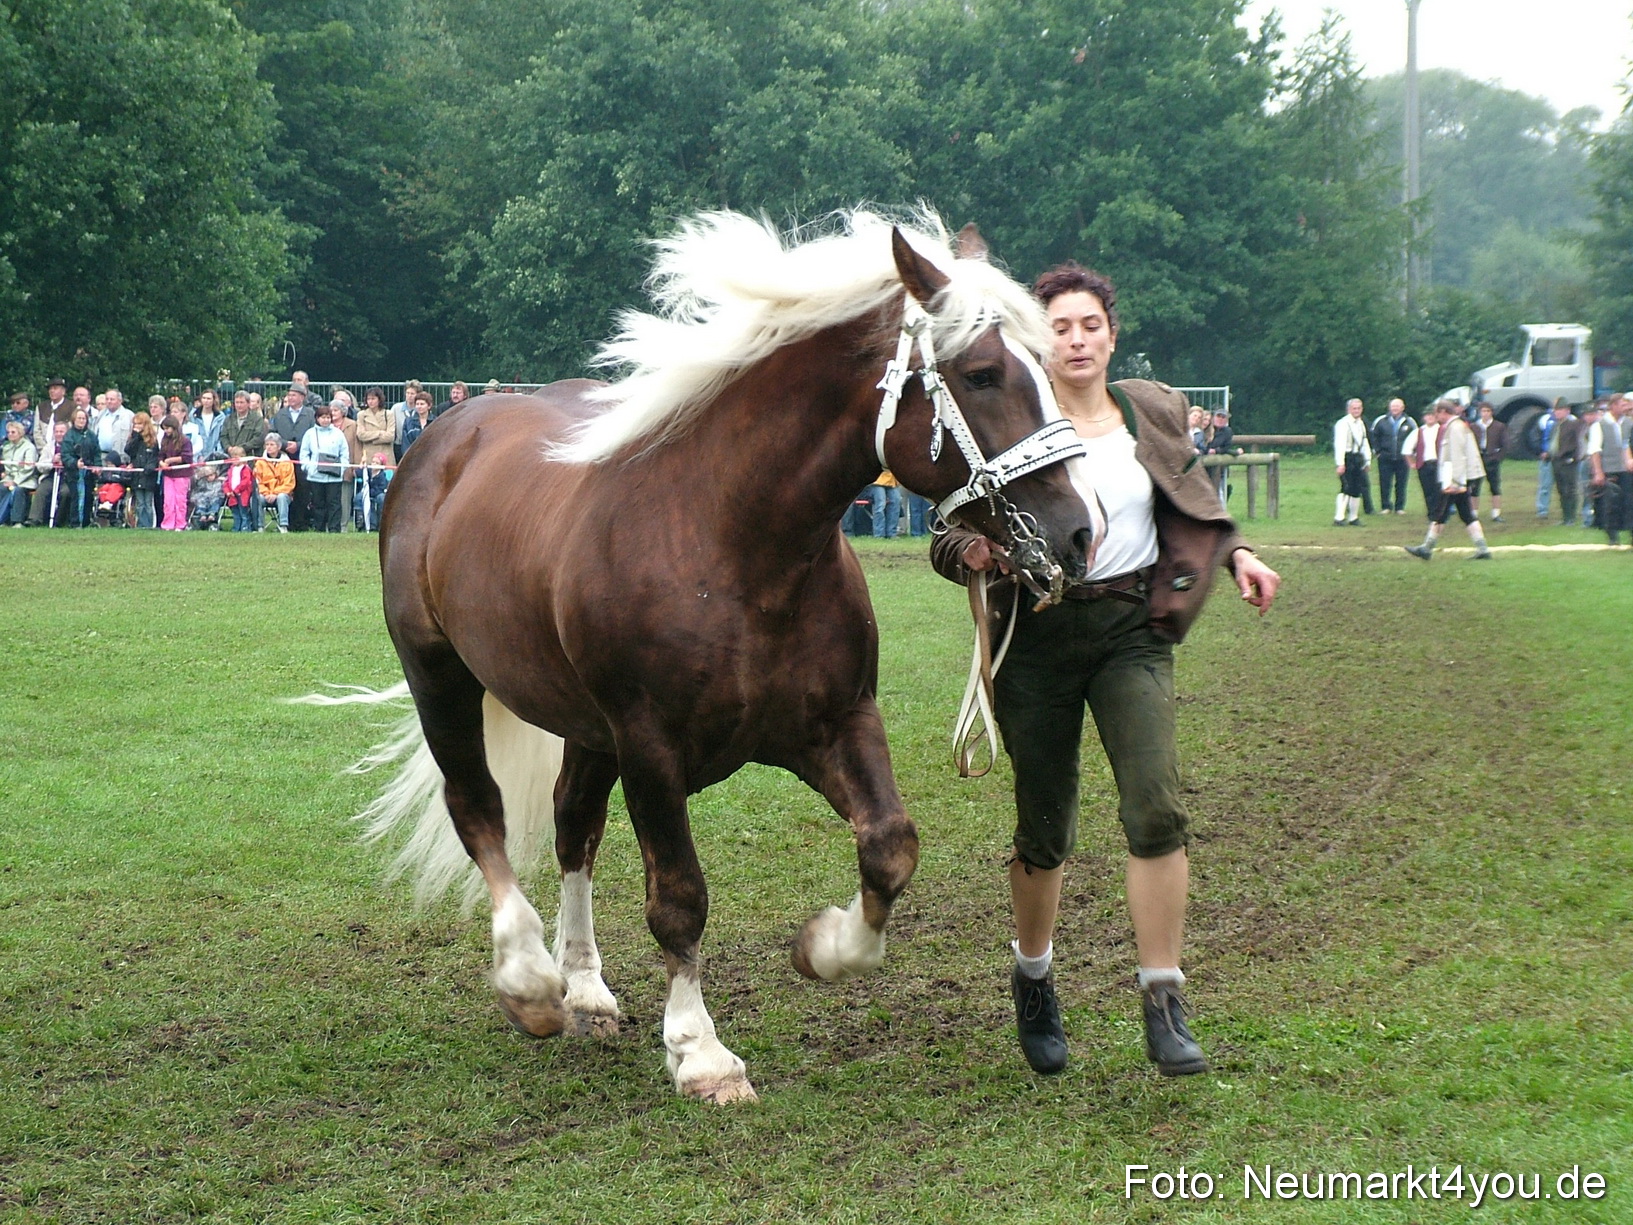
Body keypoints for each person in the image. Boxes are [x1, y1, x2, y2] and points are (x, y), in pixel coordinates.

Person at [930, 261, 1280, 1078]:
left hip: (1131, 630)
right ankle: (1034, 976)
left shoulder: (1148, 408)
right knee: (1044, 828)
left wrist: (1241, 555)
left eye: (1090, 325)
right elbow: (945, 531)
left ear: (1111, 335)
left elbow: (1191, 497)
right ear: (1036, 338)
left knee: (1154, 806)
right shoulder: (1010, 416)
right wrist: (976, 550)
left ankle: (1164, 996)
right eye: (1060, 326)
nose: (1076, 338)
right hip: (1037, 634)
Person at [1405, 401, 1493, 561]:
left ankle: (1427, 547)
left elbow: (1458, 456)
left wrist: (1455, 482)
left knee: (1440, 512)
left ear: (1444, 411)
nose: (1436, 417)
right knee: (1466, 514)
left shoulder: (1455, 428)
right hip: (1459, 479)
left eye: (1437, 414)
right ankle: (1482, 548)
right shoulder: (1457, 426)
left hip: (1455, 480)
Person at [1586, 394, 1631, 546]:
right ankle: (1612, 536)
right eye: (1622, 405)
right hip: (1609, 470)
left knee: (1629, 503)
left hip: (1627, 471)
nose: (1626, 408)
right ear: (1613, 406)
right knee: (1611, 504)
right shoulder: (1599, 425)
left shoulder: (1629, 423)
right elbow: (1594, 451)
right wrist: (1598, 472)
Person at [270, 386, 316, 530]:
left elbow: (314, 434)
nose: (290, 398)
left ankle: (301, 522)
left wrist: (299, 445)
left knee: (302, 489)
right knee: (284, 488)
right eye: (289, 395)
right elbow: (273, 433)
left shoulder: (310, 414)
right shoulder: (280, 415)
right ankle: (286, 521)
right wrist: (283, 444)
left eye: (294, 395)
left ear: (302, 397)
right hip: (283, 457)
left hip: (303, 458)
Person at [299, 404, 349, 532]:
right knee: (318, 504)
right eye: (323, 417)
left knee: (335, 505)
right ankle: (319, 528)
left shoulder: (338, 434)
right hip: (315, 477)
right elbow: (304, 453)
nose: (325, 420)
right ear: (317, 418)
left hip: (334, 477)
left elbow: (344, 453)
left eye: (328, 417)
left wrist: (341, 469)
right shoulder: (310, 434)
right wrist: (309, 468)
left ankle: (334, 529)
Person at [1370, 397, 1416, 514]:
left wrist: (1412, 454)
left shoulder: (1409, 421)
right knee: (1385, 482)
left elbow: (1416, 437)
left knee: (1401, 483)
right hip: (1385, 458)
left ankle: (1399, 507)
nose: (1395, 408)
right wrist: (1378, 451)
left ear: (1403, 407)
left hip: (1402, 458)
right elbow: (1373, 436)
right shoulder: (1381, 420)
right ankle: (1386, 506)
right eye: (1393, 406)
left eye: (1397, 406)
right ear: (1389, 407)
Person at [1543, 401, 1582, 528]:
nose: (1557, 412)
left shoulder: (1573, 425)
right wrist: (1548, 454)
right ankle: (1565, 517)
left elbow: (1578, 442)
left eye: (1560, 410)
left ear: (1567, 411)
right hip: (1556, 461)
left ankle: (1571, 517)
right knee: (1561, 489)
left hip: (1568, 461)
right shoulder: (1555, 426)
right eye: (1556, 410)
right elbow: (1554, 443)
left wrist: (1574, 457)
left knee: (1570, 489)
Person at [1332, 398, 1370, 526]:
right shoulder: (1343, 423)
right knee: (1346, 487)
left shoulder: (1361, 423)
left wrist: (1367, 460)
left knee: (1356, 488)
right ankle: (1339, 517)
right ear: (1348, 409)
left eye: (1359, 408)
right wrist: (1340, 463)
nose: (1357, 411)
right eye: (1354, 408)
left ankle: (1353, 517)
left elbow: (1364, 442)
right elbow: (1340, 444)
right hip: (1347, 457)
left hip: (1357, 457)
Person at [60, 407, 100, 527]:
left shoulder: (91, 436)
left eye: (84, 418)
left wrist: (97, 466)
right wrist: (75, 463)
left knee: (88, 497)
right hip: (74, 474)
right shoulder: (69, 436)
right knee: (76, 498)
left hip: (88, 474)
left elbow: (97, 452)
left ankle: (86, 522)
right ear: (74, 419)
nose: (82, 421)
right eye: (79, 418)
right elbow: (65, 455)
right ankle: (75, 523)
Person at [157, 415, 194, 531]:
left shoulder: (185, 441)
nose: (166, 431)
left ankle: (180, 524)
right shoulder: (165, 440)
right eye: (164, 428)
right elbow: (160, 455)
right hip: (168, 475)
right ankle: (168, 524)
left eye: (168, 428)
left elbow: (187, 457)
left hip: (181, 475)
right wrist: (162, 463)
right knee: (168, 501)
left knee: (180, 500)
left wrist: (170, 460)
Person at [1471, 402, 1506, 522]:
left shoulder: (1499, 426)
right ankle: (1474, 513)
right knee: (1475, 487)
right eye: (1483, 411)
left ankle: (1496, 513)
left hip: (1492, 459)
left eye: (1488, 411)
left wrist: (1497, 457)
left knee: (1495, 486)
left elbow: (1505, 445)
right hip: (1478, 459)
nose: (1485, 414)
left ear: (1491, 412)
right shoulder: (1474, 427)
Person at [125, 411, 161, 529]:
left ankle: (149, 524)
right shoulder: (134, 439)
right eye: (135, 424)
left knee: (148, 503)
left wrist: (149, 468)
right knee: (140, 503)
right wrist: (135, 436)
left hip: (148, 476)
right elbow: (129, 450)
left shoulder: (152, 441)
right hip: (137, 476)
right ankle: (140, 525)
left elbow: (154, 457)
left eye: (139, 424)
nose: (136, 426)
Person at [254, 432, 295, 532]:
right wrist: (267, 493)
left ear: (279, 446)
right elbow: (258, 481)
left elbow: (289, 483)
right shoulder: (260, 462)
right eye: (267, 444)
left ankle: (283, 526)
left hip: (282, 494)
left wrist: (275, 493)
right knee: (257, 498)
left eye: (272, 444)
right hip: (265, 494)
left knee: (282, 497)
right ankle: (259, 526)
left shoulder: (287, 462)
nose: (269, 447)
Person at [1408, 406, 1442, 522]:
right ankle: (1431, 514)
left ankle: (1440, 514)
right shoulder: (1419, 431)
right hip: (1424, 464)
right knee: (1428, 491)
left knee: (1439, 490)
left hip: (1439, 464)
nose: (1430, 417)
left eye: (1432, 415)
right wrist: (1412, 463)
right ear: (1424, 418)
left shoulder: (1442, 430)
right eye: (1427, 415)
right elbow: (1407, 449)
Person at [2, 420, 37, 526]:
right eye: (8, 432)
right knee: (2, 488)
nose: (10, 435)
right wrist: (7, 478)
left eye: (13, 432)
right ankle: (4, 519)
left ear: (20, 433)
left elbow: (28, 468)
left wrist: (15, 481)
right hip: (9, 478)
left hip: (26, 479)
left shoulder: (29, 447)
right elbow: (7, 466)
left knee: (18, 490)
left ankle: (17, 521)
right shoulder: (6, 447)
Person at [220, 390, 268, 458]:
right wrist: (229, 448)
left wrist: (241, 448)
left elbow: (258, 438)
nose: (239, 405)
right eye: (237, 402)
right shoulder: (229, 419)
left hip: (250, 458)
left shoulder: (257, 419)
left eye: (242, 402)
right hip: (231, 459)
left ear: (248, 403)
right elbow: (223, 436)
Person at [1203, 407, 1236, 507]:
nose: (1220, 419)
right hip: (1203, 464)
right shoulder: (1206, 428)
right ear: (1213, 417)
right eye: (1218, 416)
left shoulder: (1227, 431)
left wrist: (1217, 450)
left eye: (1223, 417)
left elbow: (1227, 447)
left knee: (1219, 490)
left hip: (1218, 467)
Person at [221, 446, 258, 531]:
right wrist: (227, 491)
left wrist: (237, 490)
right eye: (232, 457)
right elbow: (227, 481)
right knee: (235, 513)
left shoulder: (246, 469)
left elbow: (246, 481)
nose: (234, 459)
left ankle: (245, 528)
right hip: (232, 495)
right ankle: (236, 528)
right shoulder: (231, 469)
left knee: (244, 513)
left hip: (243, 494)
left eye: (237, 457)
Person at [397, 389, 434, 459]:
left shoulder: (435, 422)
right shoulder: (408, 422)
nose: (419, 406)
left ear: (429, 406)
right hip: (413, 459)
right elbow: (405, 444)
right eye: (417, 404)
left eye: (422, 404)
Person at [868, 470, 902, 538]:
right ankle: (879, 534)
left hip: (892, 481)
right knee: (880, 505)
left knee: (896, 502)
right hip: (877, 480)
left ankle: (891, 533)